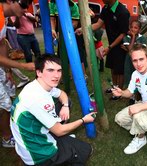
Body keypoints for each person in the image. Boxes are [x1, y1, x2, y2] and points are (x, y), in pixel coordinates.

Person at [10, 54, 96, 165]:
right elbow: (59, 131)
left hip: (33, 137)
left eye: (59, 70)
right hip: (38, 154)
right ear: (39, 72)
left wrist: (65, 106)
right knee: (85, 152)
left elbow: (62, 94)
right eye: (50, 70)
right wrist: (83, 120)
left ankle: (59, 137)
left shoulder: (38, 85)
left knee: (67, 102)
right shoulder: (36, 99)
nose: (56, 75)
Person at [76, 0, 130, 100]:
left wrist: (110, 47)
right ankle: (115, 88)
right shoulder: (106, 8)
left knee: (119, 70)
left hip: (121, 45)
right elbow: (98, 24)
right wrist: (83, 29)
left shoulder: (123, 12)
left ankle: (119, 92)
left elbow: (123, 33)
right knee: (113, 67)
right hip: (111, 44)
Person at [0, 0, 34, 148]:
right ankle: (7, 138)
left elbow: (1, 43)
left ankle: (11, 129)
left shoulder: (4, 17)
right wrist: (22, 65)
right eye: (24, 2)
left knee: (10, 91)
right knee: (5, 103)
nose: (27, 7)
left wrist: (7, 70)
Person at [122, 20, 147, 105]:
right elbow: (130, 50)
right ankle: (132, 97)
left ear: (139, 30)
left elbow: (131, 49)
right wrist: (132, 37)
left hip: (139, 62)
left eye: (135, 28)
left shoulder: (142, 38)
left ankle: (140, 96)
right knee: (130, 78)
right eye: (131, 27)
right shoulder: (126, 37)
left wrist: (128, 48)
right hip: (129, 62)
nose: (133, 29)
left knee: (140, 79)